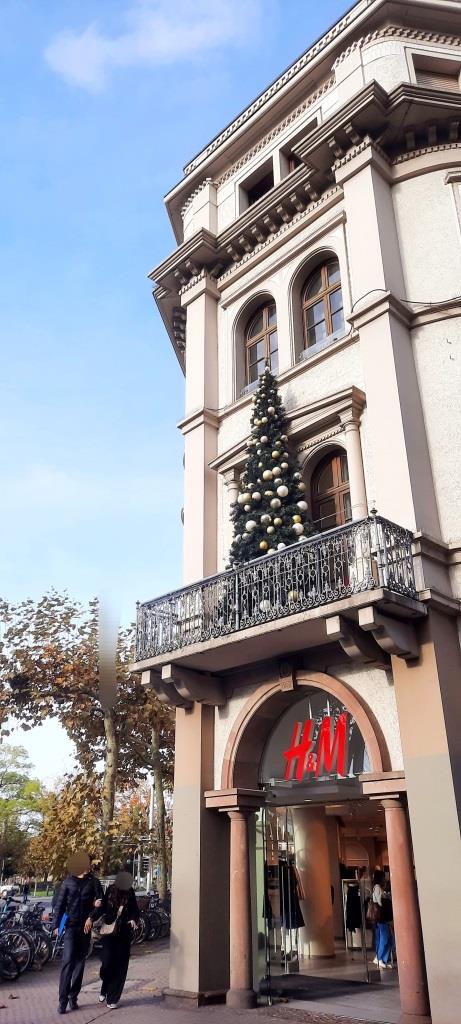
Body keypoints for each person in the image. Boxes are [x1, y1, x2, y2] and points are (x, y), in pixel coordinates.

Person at [52, 850, 103, 1014]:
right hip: (71, 927)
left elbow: (102, 904)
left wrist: (91, 917)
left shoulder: (94, 882)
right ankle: (62, 1000)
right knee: (67, 962)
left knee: (80, 964)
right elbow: (59, 905)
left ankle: (74, 997)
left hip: (85, 928)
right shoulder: (68, 882)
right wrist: (55, 925)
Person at [97, 871, 140, 1009]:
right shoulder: (110, 890)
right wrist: (95, 909)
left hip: (123, 934)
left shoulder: (130, 892)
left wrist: (133, 918)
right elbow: (103, 907)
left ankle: (113, 997)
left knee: (120, 966)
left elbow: (135, 909)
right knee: (107, 963)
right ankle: (105, 987)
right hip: (109, 934)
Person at [372, 869, 393, 969]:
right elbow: (380, 903)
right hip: (382, 918)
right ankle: (379, 957)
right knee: (385, 938)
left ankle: (382, 959)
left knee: (388, 939)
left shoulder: (379, 888)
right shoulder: (377, 888)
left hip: (382, 918)